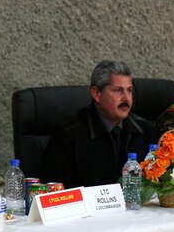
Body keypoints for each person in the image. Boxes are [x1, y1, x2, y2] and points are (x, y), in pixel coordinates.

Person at [40, 60, 155, 188]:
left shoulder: (145, 131)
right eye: (118, 90)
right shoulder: (68, 135)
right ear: (96, 93)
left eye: (129, 90)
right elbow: (55, 191)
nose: (126, 98)